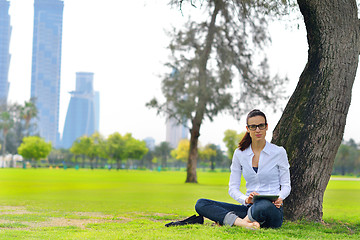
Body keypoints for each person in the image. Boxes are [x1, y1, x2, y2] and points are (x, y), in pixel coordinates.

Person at [194, 109, 291, 229]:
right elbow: (233, 188)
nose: (257, 130)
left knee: (262, 205)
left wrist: (280, 198)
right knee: (202, 204)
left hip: (271, 210)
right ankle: (245, 224)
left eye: (261, 126)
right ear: (248, 128)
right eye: (253, 127)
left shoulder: (278, 152)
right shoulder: (240, 153)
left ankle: (238, 223)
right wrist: (247, 199)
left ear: (266, 127)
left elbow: (286, 185)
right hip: (248, 208)